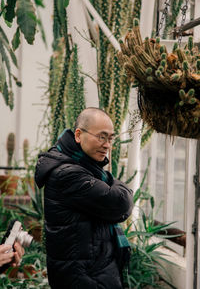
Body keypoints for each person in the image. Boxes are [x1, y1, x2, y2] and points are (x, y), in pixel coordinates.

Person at [35, 107, 133, 289]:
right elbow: (120, 204)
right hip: (84, 276)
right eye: (101, 137)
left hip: (91, 271)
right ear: (78, 135)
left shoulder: (84, 167)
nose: (107, 145)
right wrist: (113, 181)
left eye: (110, 138)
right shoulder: (67, 174)